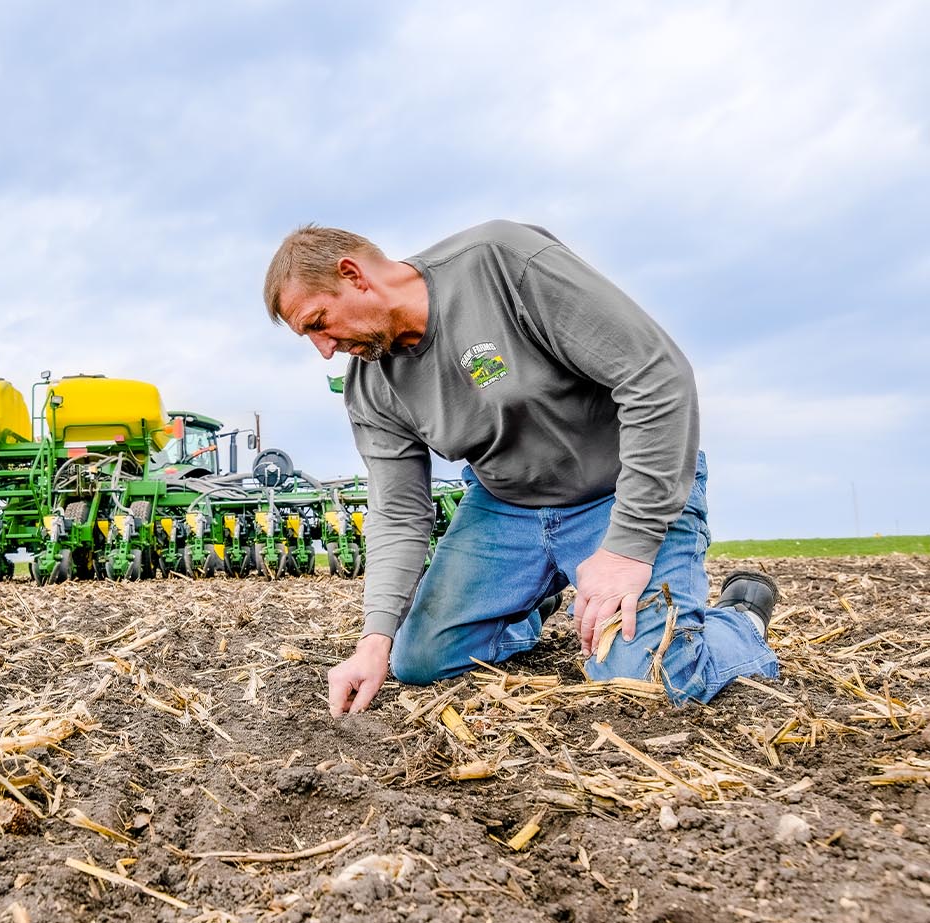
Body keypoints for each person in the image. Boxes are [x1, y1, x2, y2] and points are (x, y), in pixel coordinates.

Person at [263, 220, 780, 715]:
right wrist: (374, 639)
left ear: (353, 276)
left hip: (619, 493)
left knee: (655, 680)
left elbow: (656, 377)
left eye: (319, 323)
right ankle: (528, 600)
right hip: (507, 508)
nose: (325, 350)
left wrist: (627, 549)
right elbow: (398, 512)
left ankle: (740, 619)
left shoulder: (503, 263)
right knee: (418, 661)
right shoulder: (372, 385)